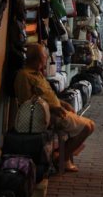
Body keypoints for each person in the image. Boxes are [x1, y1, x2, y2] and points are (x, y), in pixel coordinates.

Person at [14, 44, 95, 173]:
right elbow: (27, 103)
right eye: (44, 56)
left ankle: (62, 154)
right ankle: (62, 158)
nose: (46, 58)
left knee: (91, 125)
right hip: (47, 115)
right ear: (37, 58)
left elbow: (48, 95)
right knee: (86, 127)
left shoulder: (38, 74)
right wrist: (53, 108)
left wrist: (62, 103)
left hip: (56, 110)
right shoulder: (24, 75)